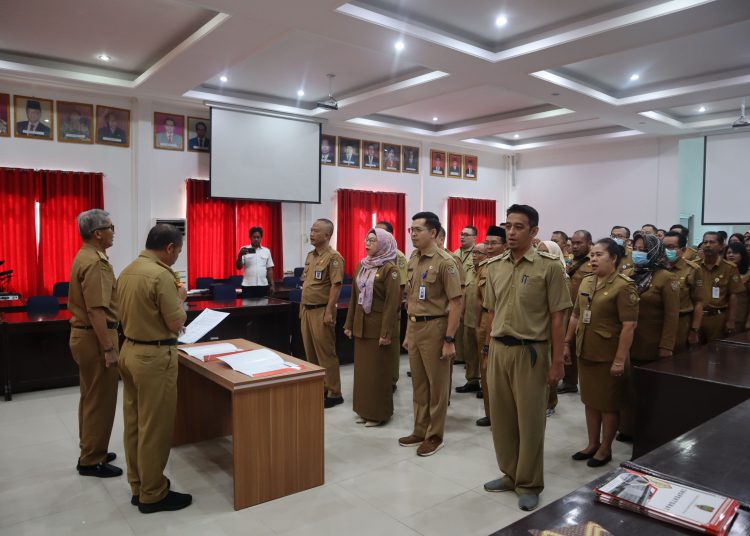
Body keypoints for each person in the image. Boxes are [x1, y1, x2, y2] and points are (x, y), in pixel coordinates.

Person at [482, 205, 571, 511]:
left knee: (530, 421)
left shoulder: (549, 267)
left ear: (534, 232)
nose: (511, 232)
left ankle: (530, 482)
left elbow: (558, 318)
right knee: (503, 418)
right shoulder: (494, 266)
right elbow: (491, 313)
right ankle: (510, 474)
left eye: (519, 227)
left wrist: (557, 361)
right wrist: (486, 350)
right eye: (508, 226)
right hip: (499, 349)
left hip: (531, 351)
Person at [117, 224, 192, 513]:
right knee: (156, 426)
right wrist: (181, 298)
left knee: (135, 423)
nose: (177, 258)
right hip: (154, 356)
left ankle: (138, 484)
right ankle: (153, 493)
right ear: (170, 248)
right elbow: (176, 322)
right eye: (178, 252)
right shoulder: (161, 275)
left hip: (130, 350)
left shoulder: (128, 270)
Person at [564, 238, 638, 468]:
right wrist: (567, 342)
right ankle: (592, 444)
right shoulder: (587, 282)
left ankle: (605, 448)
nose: (593, 259)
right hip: (587, 351)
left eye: (599, 255)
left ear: (613, 258)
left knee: (608, 404)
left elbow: (629, 326)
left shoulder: (624, 286)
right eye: (592, 255)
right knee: (590, 401)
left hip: (608, 356)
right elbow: (576, 315)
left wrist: (619, 360)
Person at [399, 212, 462, 456]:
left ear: (433, 233)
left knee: (437, 386)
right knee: (419, 384)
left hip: (436, 328)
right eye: (411, 229)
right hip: (415, 327)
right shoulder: (414, 258)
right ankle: (420, 429)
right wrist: (407, 333)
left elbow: (456, 303)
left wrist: (449, 339)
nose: (413, 234)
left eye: (418, 229)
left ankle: (435, 436)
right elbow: (411, 301)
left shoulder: (446, 262)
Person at [69, 209, 122, 478]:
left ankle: (91, 447)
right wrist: (108, 349)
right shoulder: (96, 263)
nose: (114, 231)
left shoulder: (86, 255)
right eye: (111, 227)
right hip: (95, 336)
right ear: (98, 233)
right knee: (100, 400)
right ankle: (91, 459)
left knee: (90, 397)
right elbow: (96, 311)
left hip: (86, 335)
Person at [619, 232, 679, 442]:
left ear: (654, 250)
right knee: (627, 389)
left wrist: (666, 347)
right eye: (636, 248)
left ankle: (644, 431)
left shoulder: (666, 278)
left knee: (646, 393)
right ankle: (626, 428)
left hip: (650, 344)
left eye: (644, 250)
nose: (638, 253)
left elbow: (672, 317)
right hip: (626, 342)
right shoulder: (629, 273)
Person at [344, 228, 401, 426]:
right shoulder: (362, 265)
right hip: (362, 326)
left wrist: (386, 332)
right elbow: (354, 297)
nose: (367, 244)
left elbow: (392, 304)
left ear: (384, 244)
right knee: (363, 373)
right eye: (367, 240)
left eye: (373, 241)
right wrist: (349, 323)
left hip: (378, 329)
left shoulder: (390, 270)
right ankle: (364, 409)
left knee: (378, 373)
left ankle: (378, 414)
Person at [300, 219, 345, 408]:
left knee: (326, 353)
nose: (311, 233)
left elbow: (336, 286)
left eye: (316, 231)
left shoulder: (334, 258)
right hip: (307, 310)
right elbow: (306, 284)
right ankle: (320, 387)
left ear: (327, 235)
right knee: (310, 353)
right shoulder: (310, 256)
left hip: (321, 311)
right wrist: (301, 307)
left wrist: (329, 312)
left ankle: (334, 392)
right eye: (311, 230)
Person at [475, 225, 506, 426]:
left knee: (500, 373)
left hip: (502, 319)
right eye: (486, 243)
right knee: (485, 370)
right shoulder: (485, 266)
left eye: (493, 243)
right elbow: (479, 299)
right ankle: (491, 412)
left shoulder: (506, 266)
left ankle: (503, 414)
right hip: (486, 319)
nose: (488, 247)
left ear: (504, 245)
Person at [537, 240, 570, 417]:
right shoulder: (538, 273)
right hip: (539, 327)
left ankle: (550, 402)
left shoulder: (562, 276)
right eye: (539, 251)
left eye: (545, 252)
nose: (541, 255)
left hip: (554, 328)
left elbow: (562, 312)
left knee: (551, 365)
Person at [559, 230, 594, 394]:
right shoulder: (570, 260)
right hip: (566, 310)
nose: (575, 246)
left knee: (575, 345)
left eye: (579, 243)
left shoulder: (592, 262)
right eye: (573, 242)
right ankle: (568, 379)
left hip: (583, 311)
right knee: (566, 344)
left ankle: (572, 381)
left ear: (589, 243)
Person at [375, 221, 407, 392]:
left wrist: (394, 312)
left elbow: (400, 287)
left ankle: (392, 379)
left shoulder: (397, 257)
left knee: (392, 346)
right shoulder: (373, 257)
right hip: (376, 311)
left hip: (391, 310)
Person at [697, 231, 744, 342]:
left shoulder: (729, 268)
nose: (708, 245)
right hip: (696, 317)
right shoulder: (694, 266)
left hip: (718, 318)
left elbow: (733, 296)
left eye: (712, 242)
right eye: (705, 242)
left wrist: (731, 320)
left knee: (715, 353)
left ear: (721, 246)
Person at [662, 231, 704, 351]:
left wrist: (694, 330)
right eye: (664, 247)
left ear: (683, 250)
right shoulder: (656, 267)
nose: (666, 250)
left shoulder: (693, 269)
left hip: (681, 322)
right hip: (658, 321)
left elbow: (698, 302)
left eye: (671, 247)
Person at [456, 242, 486, 396]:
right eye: (474, 253)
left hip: (483, 320)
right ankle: (472, 380)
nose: (474, 256)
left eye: (479, 253)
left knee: (483, 353)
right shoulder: (469, 271)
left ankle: (485, 385)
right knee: (470, 351)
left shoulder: (489, 270)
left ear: (486, 255)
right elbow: (464, 293)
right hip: (468, 318)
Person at [235, 226, 275, 298]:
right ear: (250, 237)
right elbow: (238, 267)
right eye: (254, 237)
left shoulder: (266, 251)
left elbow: (269, 269)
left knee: (262, 308)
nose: (256, 239)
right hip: (248, 286)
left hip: (263, 286)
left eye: (258, 237)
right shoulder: (244, 250)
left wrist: (272, 285)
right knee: (248, 308)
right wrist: (240, 255)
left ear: (261, 238)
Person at [724, 242, 750, 332]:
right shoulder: (721, 272)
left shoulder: (748, 274)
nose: (731, 255)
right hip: (720, 316)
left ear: (742, 255)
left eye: (735, 253)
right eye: (729, 252)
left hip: (739, 317)